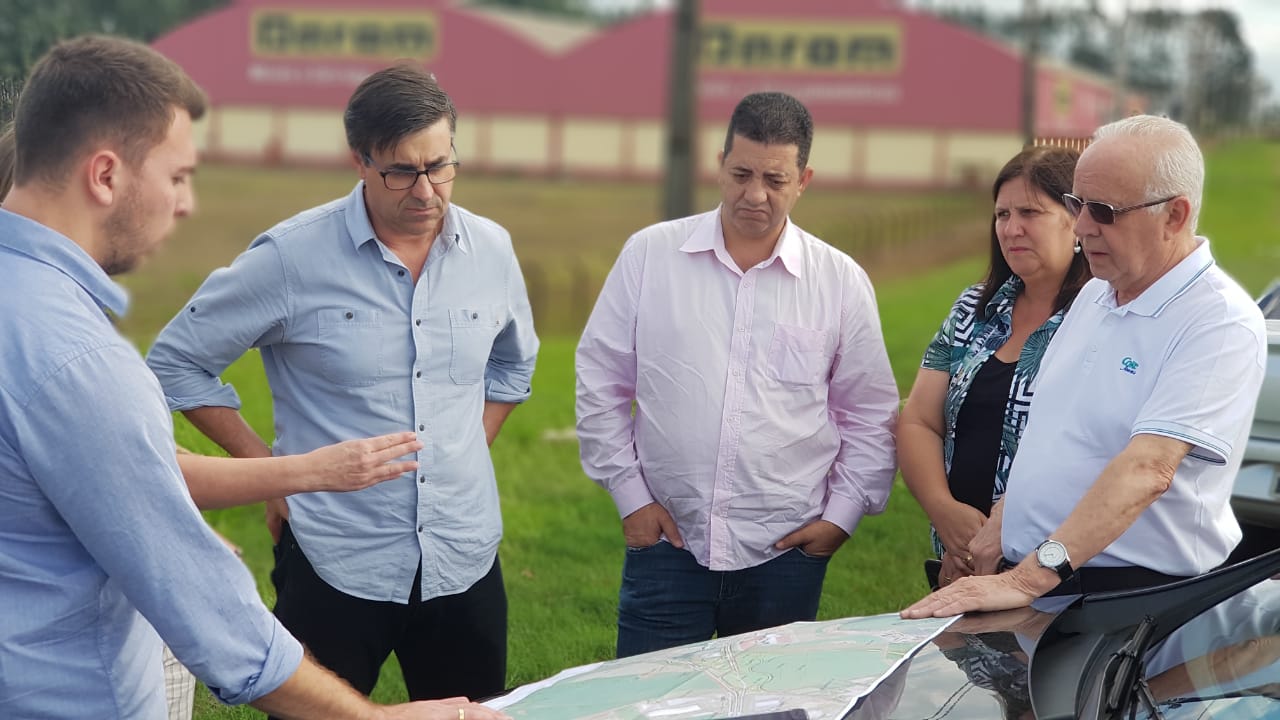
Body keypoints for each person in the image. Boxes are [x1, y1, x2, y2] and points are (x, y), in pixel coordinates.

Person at [0, 35, 505, 720]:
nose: (186, 205)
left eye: (439, 166)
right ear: (106, 175)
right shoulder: (77, 359)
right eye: (178, 177)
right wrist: (375, 718)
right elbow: (212, 616)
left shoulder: (30, 320)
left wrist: (298, 473)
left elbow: (127, 467)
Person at [146, 62, 538, 704]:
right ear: (359, 160)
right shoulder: (289, 258)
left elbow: (514, 366)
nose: (427, 191)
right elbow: (175, 364)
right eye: (401, 171)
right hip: (334, 559)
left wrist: (468, 444)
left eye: (440, 165)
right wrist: (270, 472)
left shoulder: (492, 250)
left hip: (464, 556)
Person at [903, 115, 1268, 620]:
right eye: (1078, 204)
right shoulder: (1097, 294)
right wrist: (1002, 529)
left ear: (1175, 215)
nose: (1081, 227)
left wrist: (1027, 576)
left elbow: (1149, 469)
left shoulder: (1218, 320)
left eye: (1104, 211)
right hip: (1049, 579)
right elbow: (1052, 434)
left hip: (1131, 599)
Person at [576, 91, 899, 658]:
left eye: (775, 180)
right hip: (666, 543)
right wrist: (631, 500)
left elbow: (869, 412)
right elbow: (601, 380)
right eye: (741, 174)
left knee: (766, 701)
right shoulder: (649, 255)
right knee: (649, 699)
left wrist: (840, 519)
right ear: (719, 164)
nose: (755, 195)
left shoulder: (840, 282)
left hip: (786, 554)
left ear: (804, 181)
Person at [899, 146, 1089, 590]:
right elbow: (919, 419)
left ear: (1076, 220)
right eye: (1002, 214)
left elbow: (1092, 455)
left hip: (1051, 569)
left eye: (1030, 212)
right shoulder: (973, 308)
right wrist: (944, 512)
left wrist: (995, 537)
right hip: (956, 562)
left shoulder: (1099, 320)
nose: (1011, 228)